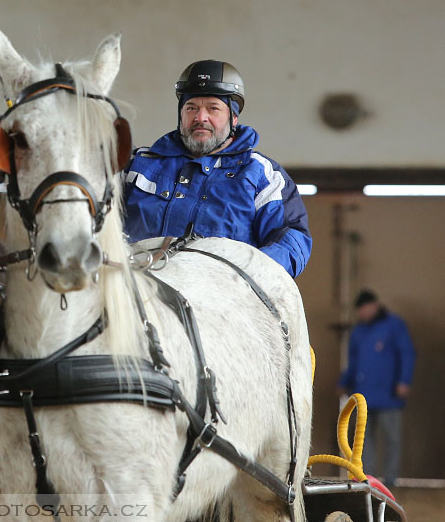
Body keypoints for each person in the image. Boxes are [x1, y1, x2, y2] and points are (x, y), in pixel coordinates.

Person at [122, 59, 312, 277]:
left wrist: (249, 278)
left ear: (233, 118)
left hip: (219, 299)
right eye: (191, 108)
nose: (200, 118)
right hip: (134, 291)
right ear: (181, 115)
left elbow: (291, 238)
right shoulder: (135, 164)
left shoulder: (262, 174)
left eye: (213, 108)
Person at [338, 289, 416, 488]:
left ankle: (391, 480)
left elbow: (406, 354)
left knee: (391, 439)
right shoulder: (358, 332)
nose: (361, 314)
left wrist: (404, 381)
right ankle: (367, 479)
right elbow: (353, 362)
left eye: (363, 310)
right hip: (364, 396)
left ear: (373, 305)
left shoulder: (394, 326)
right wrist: (343, 383)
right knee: (362, 442)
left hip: (389, 395)